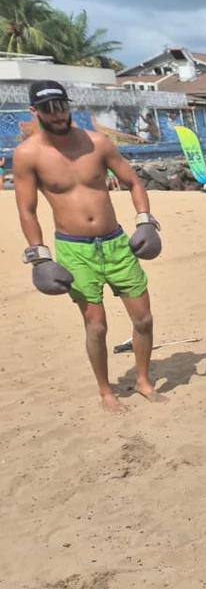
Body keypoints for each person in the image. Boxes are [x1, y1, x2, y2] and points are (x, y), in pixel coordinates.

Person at [12, 80, 165, 414]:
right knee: (96, 325)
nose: (57, 115)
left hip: (116, 244)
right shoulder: (28, 155)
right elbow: (27, 209)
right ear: (35, 112)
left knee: (144, 320)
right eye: (48, 109)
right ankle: (105, 391)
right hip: (74, 249)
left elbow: (133, 181)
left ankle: (142, 381)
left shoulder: (97, 143)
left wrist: (145, 221)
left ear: (69, 105)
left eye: (61, 106)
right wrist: (39, 257)